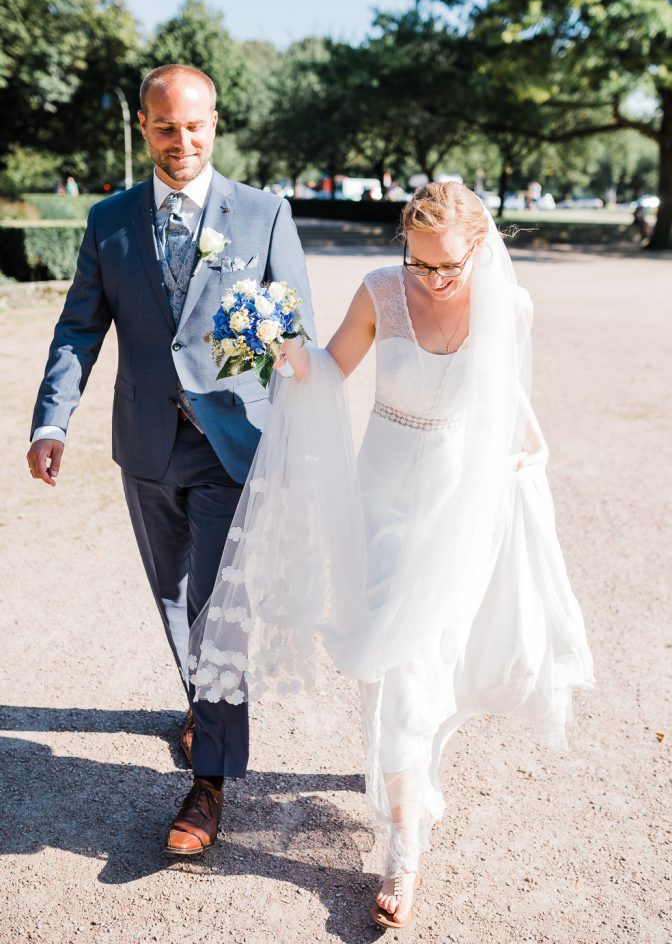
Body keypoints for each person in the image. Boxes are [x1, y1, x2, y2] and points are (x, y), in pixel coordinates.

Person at [189, 180, 594, 928]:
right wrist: (283, 348)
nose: (433, 279)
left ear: (480, 247)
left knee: (413, 666)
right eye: (420, 263)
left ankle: (404, 855)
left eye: (448, 266)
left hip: (455, 506)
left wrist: (529, 455)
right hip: (380, 502)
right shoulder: (381, 290)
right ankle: (402, 775)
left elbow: (505, 394)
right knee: (383, 658)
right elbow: (330, 369)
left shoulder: (511, 305)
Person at [26, 64, 315, 855]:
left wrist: (287, 390)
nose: (180, 140)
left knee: (219, 608)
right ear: (144, 126)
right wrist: (51, 422)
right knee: (173, 597)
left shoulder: (264, 214)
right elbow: (78, 329)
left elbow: (298, 337)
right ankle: (203, 703)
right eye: (164, 126)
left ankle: (208, 784)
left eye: (193, 125)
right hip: (145, 445)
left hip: (231, 446)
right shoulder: (109, 219)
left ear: (214, 123)